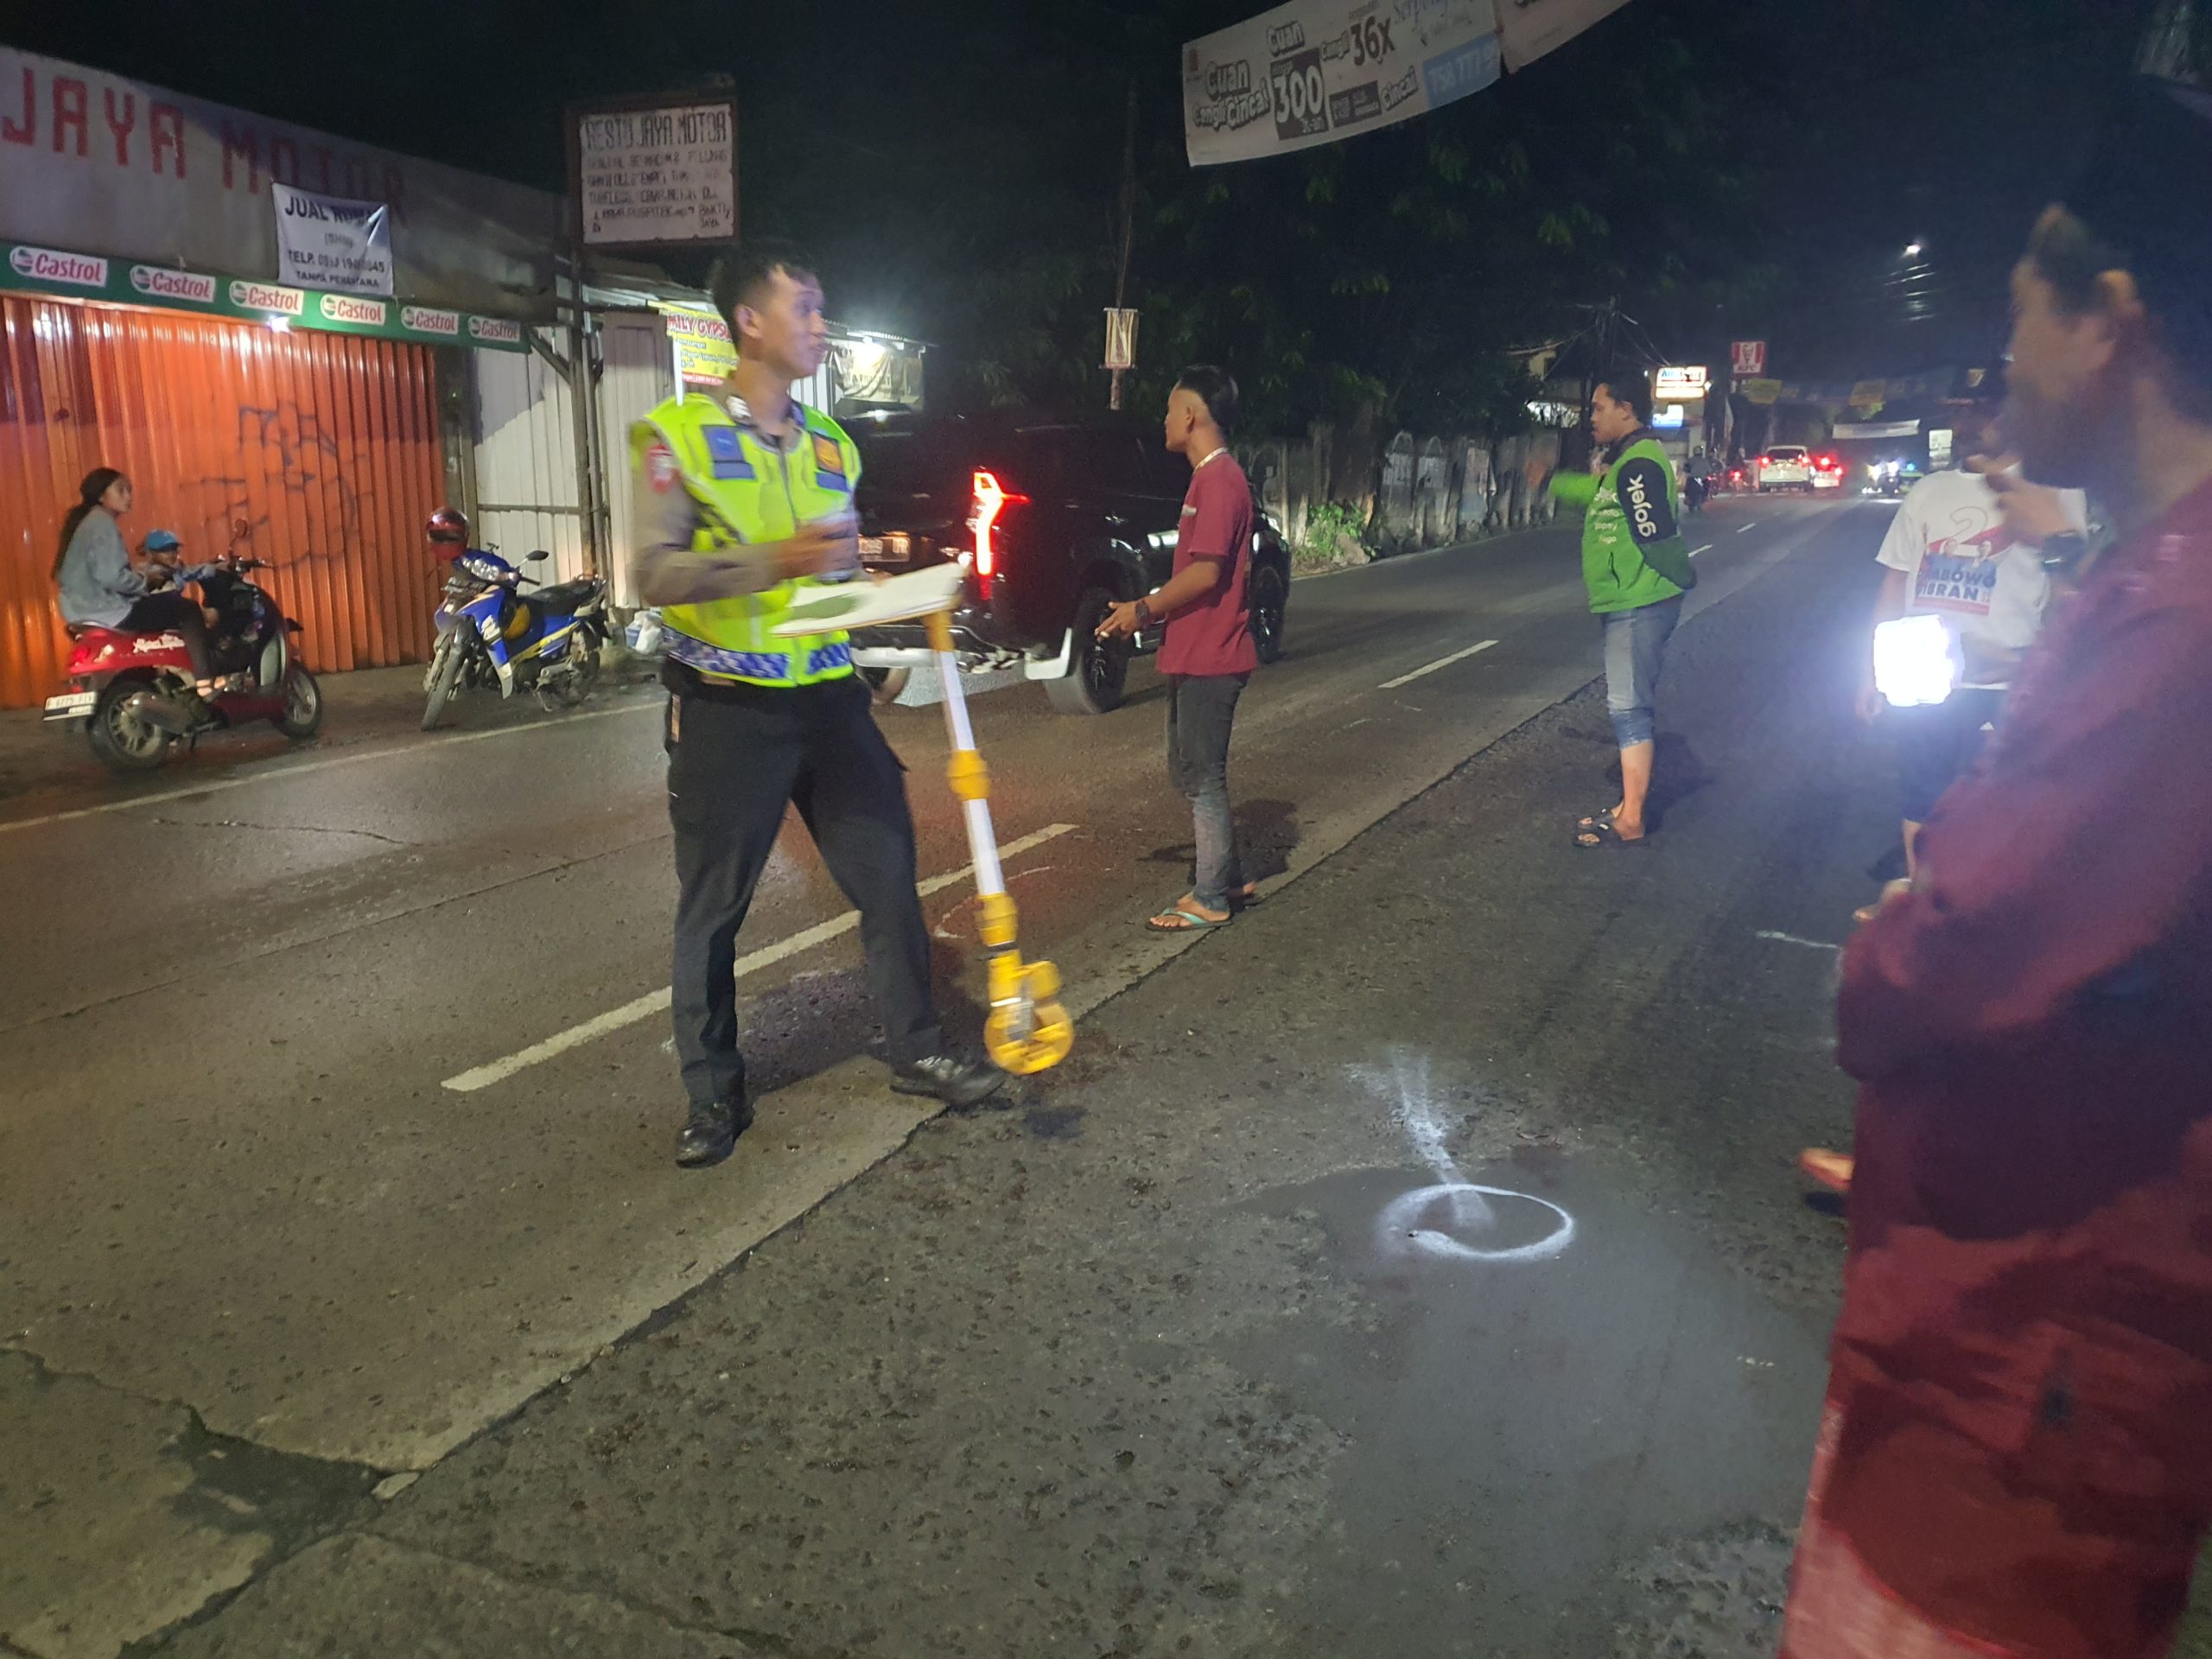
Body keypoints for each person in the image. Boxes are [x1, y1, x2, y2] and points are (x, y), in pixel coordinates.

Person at [1782, 78, 2212, 1659]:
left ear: (2110, 316)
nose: (2003, 353)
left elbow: (1959, 946)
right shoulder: (2149, 570)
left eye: (2019, 310)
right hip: (1999, 1357)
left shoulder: (2182, 618)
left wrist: (1875, 962)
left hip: (2026, 1400)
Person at [629, 242, 1003, 1170]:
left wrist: (895, 613)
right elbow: (652, 573)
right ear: (749, 322)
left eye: (823, 310)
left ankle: (917, 1047)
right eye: (807, 309)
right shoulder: (671, 437)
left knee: (887, 877)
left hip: (830, 706)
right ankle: (713, 1096)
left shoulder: (835, 444)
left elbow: (836, 577)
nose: (822, 326)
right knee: (713, 911)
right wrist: (775, 561)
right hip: (728, 708)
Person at [1853, 382, 2087, 895]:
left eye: (1981, 410)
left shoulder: (2051, 494)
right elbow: (1896, 579)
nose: (1966, 421)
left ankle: (1995, 915)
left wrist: (2048, 672)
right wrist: (1872, 672)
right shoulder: (1929, 491)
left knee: (2011, 806)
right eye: (1960, 408)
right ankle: (1919, 908)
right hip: (1927, 680)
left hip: (2012, 684)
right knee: (1921, 796)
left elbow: (2074, 592)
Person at [1097, 365, 1259, 931]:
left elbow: (1206, 574)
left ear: (1190, 415)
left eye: (1170, 411)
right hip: (1196, 651)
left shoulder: (1219, 482)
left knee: (1201, 773)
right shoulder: (1208, 480)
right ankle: (1229, 874)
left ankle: (1211, 895)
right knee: (1189, 768)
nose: (1164, 421)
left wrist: (1141, 609)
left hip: (1213, 654)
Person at [1550, 372, 1698, 848]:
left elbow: (1657, 534)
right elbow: (1601, 499)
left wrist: (1680, 577)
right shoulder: (1628, 464)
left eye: (1598, 408)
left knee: (1628, 707)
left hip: (1639, 600)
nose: (1591, 417)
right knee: (1628, 702)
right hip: (1631, 598)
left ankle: (1631, 817)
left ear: (1627, 409)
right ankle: (1625, 805)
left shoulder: (1637, 464)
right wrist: (1552, 481)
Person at [51, 468, 215, 690]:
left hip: (81, 611)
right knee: (187, 609)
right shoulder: (102, 523)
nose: (128, 496)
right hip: (108, 611)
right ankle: (206, 682)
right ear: (101, 496)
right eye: (121, 490)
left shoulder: (88, 523)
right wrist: (144, 583)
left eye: (129, 490)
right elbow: (112, 576)